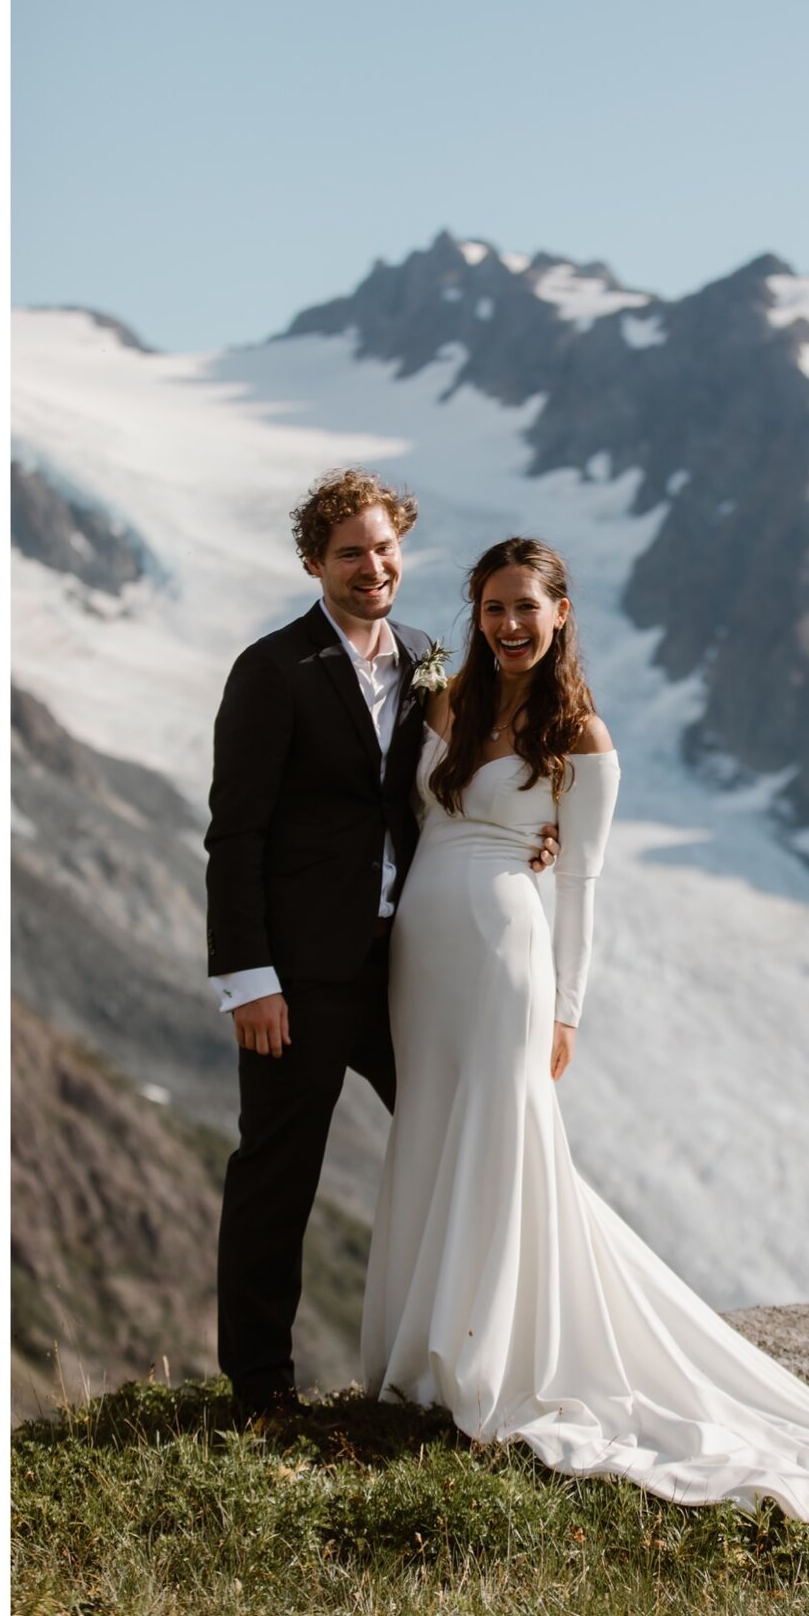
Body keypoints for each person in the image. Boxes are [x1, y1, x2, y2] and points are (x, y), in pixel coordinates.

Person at [360, 535, 809, 1543]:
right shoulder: (444, 696)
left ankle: (480, 1359)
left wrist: (566, 1008)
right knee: (431, 1127)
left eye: (526, 607)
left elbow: (583, 886)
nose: (508, 625)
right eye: (492, 607)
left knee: (500, 1138)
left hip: (503, 953)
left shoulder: (582, 739)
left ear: (560, 612)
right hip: (421, 958)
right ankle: (420, 1350)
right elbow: (399, 772)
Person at [203, 469, 553, 1421]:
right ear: (315, 561)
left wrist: (534, 830)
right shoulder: (272, 671)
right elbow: (235, 834)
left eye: (385, 547)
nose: (372, 566)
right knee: (279, 1169)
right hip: (299, 976)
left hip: (412, 964)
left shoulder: (429, 664)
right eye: (350, 551)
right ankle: (260, 1389)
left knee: (463, 1137)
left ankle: (477, 1353)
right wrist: (249, 980)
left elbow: (471, 775)